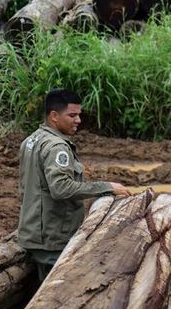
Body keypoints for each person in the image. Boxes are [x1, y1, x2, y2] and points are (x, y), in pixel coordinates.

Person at [17, 89, 130, 280]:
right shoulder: (56, 147)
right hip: (53, 240)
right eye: (72, 115)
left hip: (34, 234)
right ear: (54, 116)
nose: (78, 120)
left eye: (79, 115)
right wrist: (106, 187)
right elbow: (61, 188)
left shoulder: (31, 140)